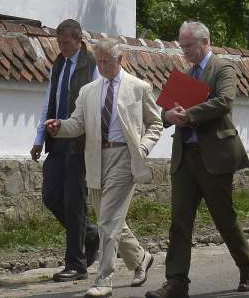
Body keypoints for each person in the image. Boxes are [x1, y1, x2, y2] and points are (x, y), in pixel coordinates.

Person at [147, 21, 249, 298]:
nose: (184, 51)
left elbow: (225, 101)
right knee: (179, 222)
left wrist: (190, 114)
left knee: (224, 218)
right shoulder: (185, 74)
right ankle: (176, 282)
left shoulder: (223, 68)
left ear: (205, 42)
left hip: (215, 156)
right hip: (185, 157)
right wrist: (168, 116)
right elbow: (166, 110)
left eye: (188, 46)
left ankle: (247, 265)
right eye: (182, 46)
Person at [45, 39, 164, 298]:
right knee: (109, 220)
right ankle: (140, 258)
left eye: (107, 61)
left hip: (125, 155)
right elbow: (77, 124)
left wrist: (143, 148)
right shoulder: (89, 91)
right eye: (98, 61)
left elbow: (155, 123)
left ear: (120, 59)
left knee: (108, 222)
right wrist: (60, 127)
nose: (102, 66)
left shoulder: (139, 87)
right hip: (95, 157)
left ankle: (104, 280)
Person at [30, 19, 101, 282]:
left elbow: (96, 104)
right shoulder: (58, 64)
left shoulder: (92, 64)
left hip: (80, 142)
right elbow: (49, 100)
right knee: (51, 196)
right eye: (59, 43)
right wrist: (39, 138)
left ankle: (76, 264)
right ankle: (91, 235)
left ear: (79, 39)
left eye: (66, 43)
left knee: (75, 203)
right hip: (57, 139)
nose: (62, 47)